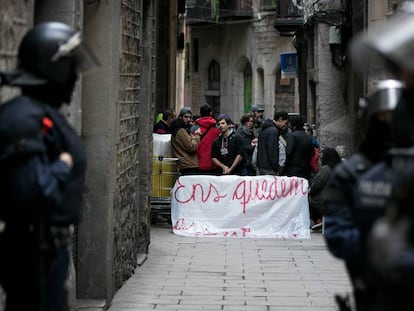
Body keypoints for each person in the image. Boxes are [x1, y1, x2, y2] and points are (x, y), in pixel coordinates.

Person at [0, 22, 98, 311]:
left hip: (47, 249)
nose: (74, 79)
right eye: (71, 70)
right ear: (54, 69)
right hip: (32, 249)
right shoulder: (24, 119)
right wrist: (63, 165)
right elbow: (33, 189)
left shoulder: (40, 113)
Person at [323, 79, 404, 311]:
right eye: (384, 117)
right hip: (370, 281)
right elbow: (338, 234)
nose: (391, 125)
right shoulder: (350, 174)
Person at [308, 148, 341, 231]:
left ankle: (317, 220)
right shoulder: (341, 167)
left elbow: (316, 186)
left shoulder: (326, 169)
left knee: (309, 200)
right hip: (338, 198)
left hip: (326, 200)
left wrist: (310, 191)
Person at [170, 107, 201, 175]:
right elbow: (191, 147)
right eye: (186, 117)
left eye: (190, 117)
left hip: (188, 164)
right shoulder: (181, 131)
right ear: (180, 117)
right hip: (188, 165)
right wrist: (197, 136)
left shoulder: (184, 130)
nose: (188, 119)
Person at [285, 115, 314, 181]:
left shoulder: (292, 136)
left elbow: (288, 152)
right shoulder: (308, 137)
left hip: (292, 169)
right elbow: (312, 153)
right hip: (305, 169)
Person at [195, 104, 220, 175]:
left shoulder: (195, 128)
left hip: (198, 162)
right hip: (214, 163)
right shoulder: (217, 130)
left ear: (200, 113)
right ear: (211, 113)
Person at [256, 111, 284, 175]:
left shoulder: (264, 129)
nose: (285, 125)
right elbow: (272, 151)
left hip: (261, 166)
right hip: (269, 168)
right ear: (280, 119)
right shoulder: (273, 131)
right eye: (285, 122)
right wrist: (276, 167)